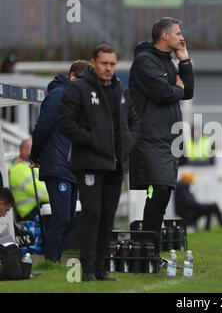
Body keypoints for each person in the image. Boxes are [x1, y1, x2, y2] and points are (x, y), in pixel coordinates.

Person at [58, 44, 140, 281]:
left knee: (107, 216)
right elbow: (65, 122)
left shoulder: (122, 91)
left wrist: (128, 144)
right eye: (104, 63)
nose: (108, 68)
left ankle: (102, 269)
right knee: (92, 214)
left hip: (115, 164)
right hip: (90, 162)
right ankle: (88, 270)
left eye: (112, 64)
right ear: (94, 63)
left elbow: (135, 124)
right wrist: (91, 140)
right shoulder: (79, 89)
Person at [129, 17, 194, 236]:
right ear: (165, 35)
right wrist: (177, 89)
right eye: (178, 33)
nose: (182, 37)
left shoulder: (169, 61)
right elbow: (163, 93)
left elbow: (188, 91)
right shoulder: (144, 61)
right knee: (158, 189)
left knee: (163, 191)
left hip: (169, 138)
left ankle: (150, 247)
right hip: (150, 137)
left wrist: (184, 61)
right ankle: (147, 244)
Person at [30, 60, 89, 263]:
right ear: (73, 77)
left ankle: (54, 260)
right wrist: (34, 155)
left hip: (71, 167)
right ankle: (51, 261)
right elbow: (42, 127)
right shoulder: (58, 95)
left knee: (69, 219)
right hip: (58, 166)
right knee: (62, 218)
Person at [9, 139, 49, 221]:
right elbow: (43, 193)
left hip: (39, 209)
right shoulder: (19, 170)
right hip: (31, 215)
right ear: (25, 151)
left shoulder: (30, 166)